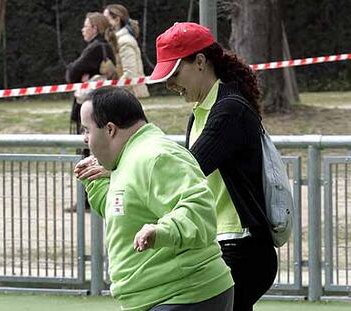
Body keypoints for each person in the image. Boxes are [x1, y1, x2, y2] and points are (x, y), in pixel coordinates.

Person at [148, 22, 278, 311]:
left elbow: (188, 170)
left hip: (242, 247)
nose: (170, 85)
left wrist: (123, 170)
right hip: (222, 245)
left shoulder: (229, 110)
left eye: (174, 73)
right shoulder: (201, 113)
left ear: (201, 62)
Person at [74, 86, 234, 311]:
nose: (85, 140)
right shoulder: (128, 158)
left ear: (109, 129)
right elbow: (124, 213)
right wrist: (95, 182)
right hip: (162, 296)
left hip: (184, 294)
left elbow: (199, 210)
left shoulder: (156, 156)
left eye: (87, 130)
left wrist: (162, 231)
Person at [65, 12, 118, 135]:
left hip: (91, 106)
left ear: (94, 28)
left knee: (89, 143)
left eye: (85, 26)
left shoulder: (95, 48)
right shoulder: (106, 46)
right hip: (102, 104)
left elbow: (71, 74)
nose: (82, 30)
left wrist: (78, 74)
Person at [103, 4, 150, 98]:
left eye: (106, 19)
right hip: (125, 94)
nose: (103, 23)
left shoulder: (125, 41)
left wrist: (110, 90)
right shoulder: (116, 41)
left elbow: (130, 74)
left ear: (116, 20)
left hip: (132, 95)